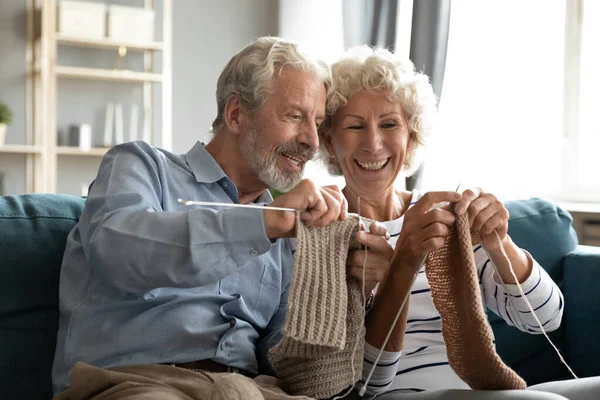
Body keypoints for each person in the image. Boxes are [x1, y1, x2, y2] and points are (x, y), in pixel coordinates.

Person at [51, 36, 348, 400]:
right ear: (236, 114)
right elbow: (120, 250)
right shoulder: (141, 166)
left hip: (249, 390)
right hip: (137, 383)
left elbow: (287, 362)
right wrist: (265, 223)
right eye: (295, 116)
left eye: (317, 122)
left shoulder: (287, 228)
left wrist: (346, 286)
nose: (313, 142)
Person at [320, 46, 600, 400]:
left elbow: (545, 320)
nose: (373, 144)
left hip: (484, 388)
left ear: (412, 135)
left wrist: (499, 243)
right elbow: (361, 382)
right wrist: (400, 264)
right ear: (329, 141)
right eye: (354, 126)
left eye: (389, 124)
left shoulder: (442, 217)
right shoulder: (327, 229)